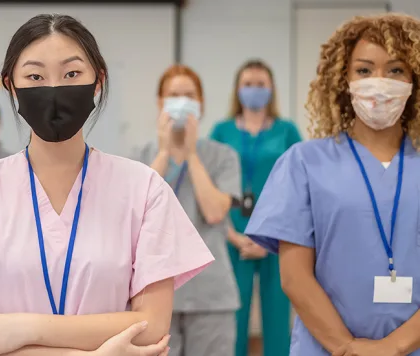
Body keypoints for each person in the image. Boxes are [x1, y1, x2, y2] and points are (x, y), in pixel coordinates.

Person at [0, 14, 215, 356]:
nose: (54, 88)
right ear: (11, 84)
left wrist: (20, 328)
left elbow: (150, 328)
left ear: (98, 81)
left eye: (71, 74)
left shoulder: (144, 190)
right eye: (35, 76)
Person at [245, 13, 420, 356]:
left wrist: (395, 346)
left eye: (396, 69)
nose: (380, 82)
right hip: (325, 348)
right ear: (344, 79)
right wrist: (346, 347)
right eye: (364, 70)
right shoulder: (305, 163)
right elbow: (295, 278)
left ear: (414, 79)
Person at [134, 64, 241, 356]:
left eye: (188, 95)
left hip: (211, 296)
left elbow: (215, 212)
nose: (181, 101)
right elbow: (134, 213)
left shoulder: (223, 156)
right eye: (173, 95)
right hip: (154, 295)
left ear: (201, 104)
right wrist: (166, 153)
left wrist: (191, 154)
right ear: (159, 103)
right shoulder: (139, 157)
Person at [209, 59, 302, 356]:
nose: (254, 90)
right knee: (233, 317)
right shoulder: (221, 131)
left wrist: (273, 240)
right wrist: (230, 234)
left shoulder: (287, 130)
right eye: (248, 84)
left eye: (260, 84)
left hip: (276, 237)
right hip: (232, 234)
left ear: (271, 89)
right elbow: (208, 187)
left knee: (277, 315)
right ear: (237, 89)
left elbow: (300, 187)